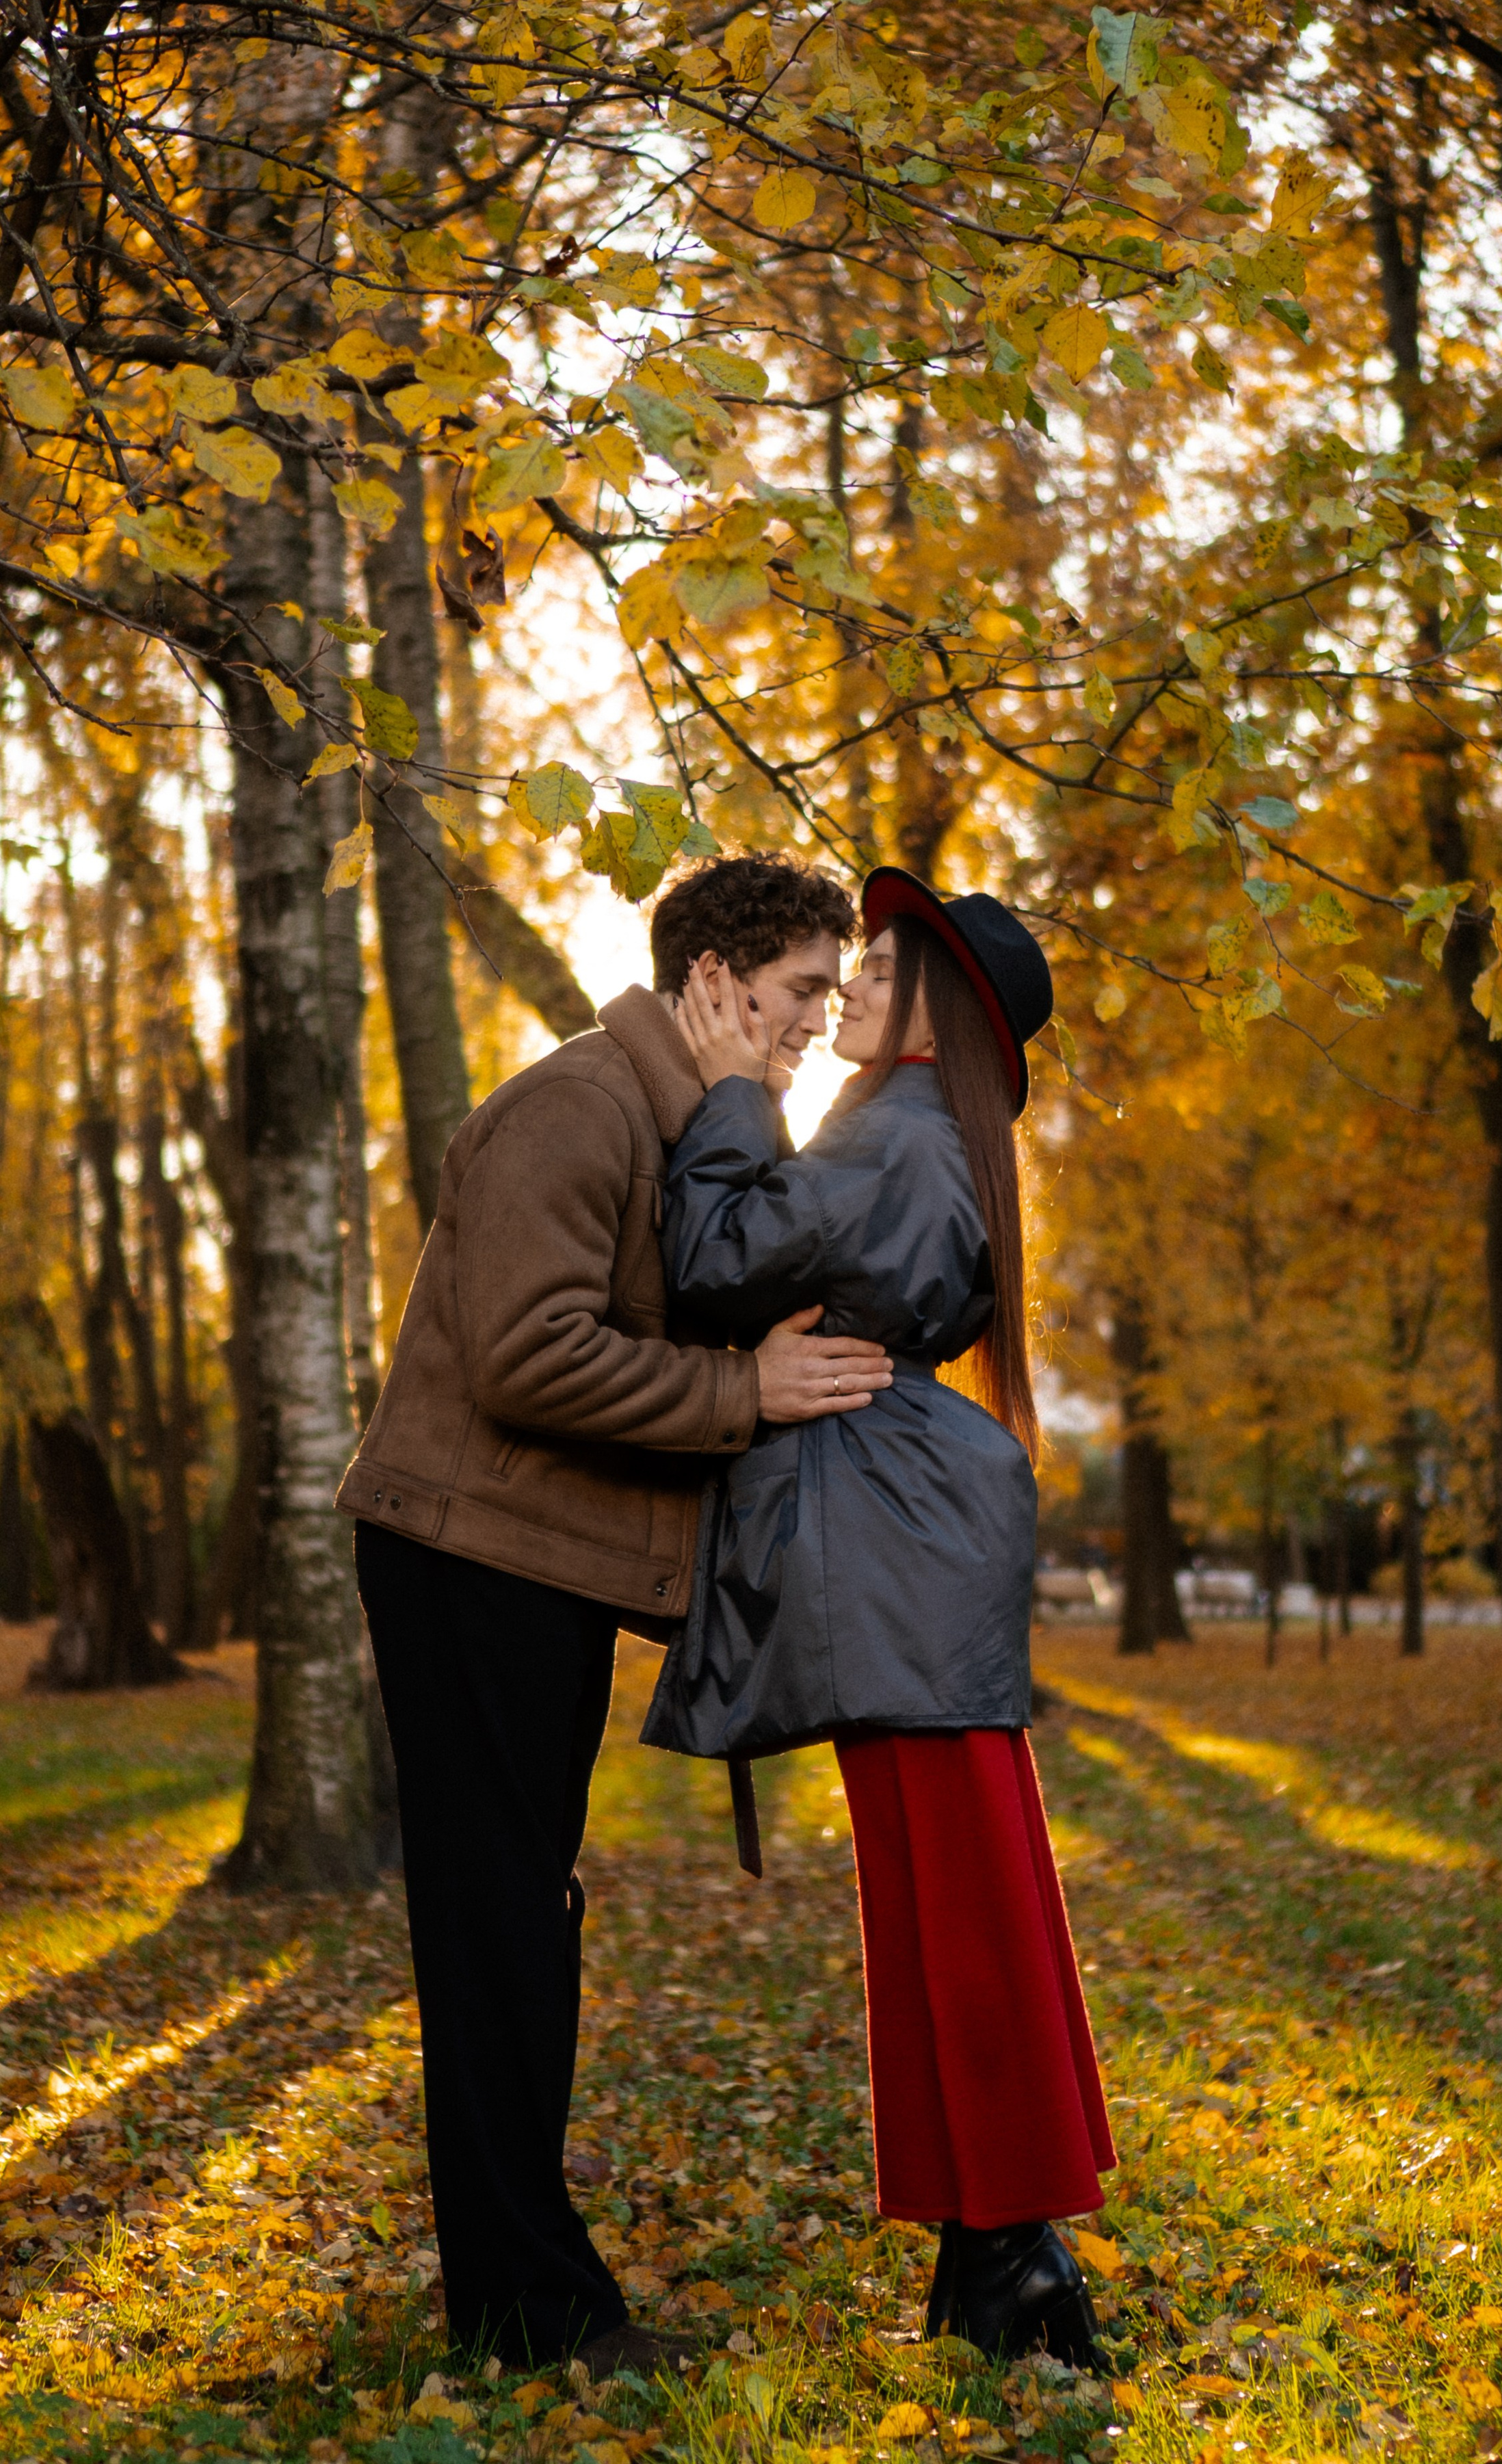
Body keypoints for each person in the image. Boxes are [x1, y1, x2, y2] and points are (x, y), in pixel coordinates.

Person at [339, 854, 895, 2376]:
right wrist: (743, 1389)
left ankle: (529, 2299)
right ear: (710, 979)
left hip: (534, 1564)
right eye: (794, 998)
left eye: (826, 1004)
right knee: (498, 1929)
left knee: (522, 1920)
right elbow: (528, 1357)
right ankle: (530, 2317)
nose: (807, 1029)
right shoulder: (574, 1108)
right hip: (468, 1559)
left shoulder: (676, 1120)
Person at [643, 868, 1116, 2368]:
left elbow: (714, 1258)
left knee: (961, 1900)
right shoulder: (901, 1131)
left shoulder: (901, 1134)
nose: (846, 981)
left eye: (881, 962)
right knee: (935, 1900)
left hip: (898, 1547)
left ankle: (1020, 2250)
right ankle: (988, 2244)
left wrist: (726, 1090)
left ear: (936, 1013)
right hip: (900, 1537)